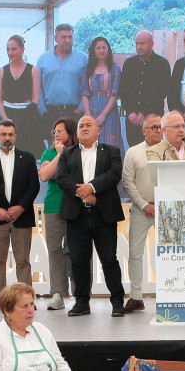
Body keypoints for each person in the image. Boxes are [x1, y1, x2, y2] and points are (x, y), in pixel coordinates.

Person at [55, 116, 125, 317]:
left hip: (104, 214)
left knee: (109, 259)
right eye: (81, 126)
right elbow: (61, 177)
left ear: (98, 131)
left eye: (89, 125)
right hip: (77, 215)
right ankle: (82, 302)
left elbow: (114, 174)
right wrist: (83, 193)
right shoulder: (68, 153)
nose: (84, 128)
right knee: (78, 260)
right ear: (76, 132)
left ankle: (117, 301)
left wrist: (92, 187)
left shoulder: (111, 151)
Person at [0, 120, 39, 311]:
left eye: (10, 134)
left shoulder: (28, 158)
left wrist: (20, 207)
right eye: (3, 134)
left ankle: (26, 301)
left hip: (21, 217)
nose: (7, 138)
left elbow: (34, 186)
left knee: (23, 260)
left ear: (15, 136)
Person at [122, 114, 164, 314]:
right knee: (135, 254)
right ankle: (136, 297)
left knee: (170, 252)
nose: (158, 130)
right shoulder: (133, 152)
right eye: (153, 127)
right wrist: (144, 204)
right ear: (144, 130)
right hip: (141, 209)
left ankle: (170, 293)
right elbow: (127, 182)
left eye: (160, 127)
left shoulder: (170, 149)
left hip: (167, 208)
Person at [38, 118, 78, 311]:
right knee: (55, 249)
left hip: (76, 204)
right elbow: (45, 176)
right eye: (54, 130)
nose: (56, 134)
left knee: (77, 248)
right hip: (54, 205)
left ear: (70, 132)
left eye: (60, 131)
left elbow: (76, 175)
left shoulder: (80, 150)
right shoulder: (50, 152)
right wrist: (59, 156)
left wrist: (53, 166)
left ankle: (80, 293)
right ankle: (58, 293)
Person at [0, 35, 45, 159]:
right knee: (8, 151)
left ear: (22, 49)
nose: (10, 52)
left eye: (13, 49)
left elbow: (36, 98)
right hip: (7, 114)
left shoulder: (33, 70)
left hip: (28, 114)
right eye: (8, 49)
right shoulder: (1, 71)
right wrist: (6, 119)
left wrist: (26, 117)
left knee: (29, 153)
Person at [120, 30, 171, 147]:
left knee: (154, 152)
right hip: (132, 121)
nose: (139, 47)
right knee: (135, 152)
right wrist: (130, 112)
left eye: (142, 43)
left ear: (152, 44)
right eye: (137, 43)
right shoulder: (129, 64)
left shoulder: (162, 64)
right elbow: (123, 91)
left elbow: (161, 92)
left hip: (153, 118)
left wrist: (145, 113)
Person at [36, 24, 87, 132]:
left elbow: (87, 87)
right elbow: (38, 87)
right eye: (64, 37)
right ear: (56, 38)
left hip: (74, 113)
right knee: (53, 147)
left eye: (70, 37)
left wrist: (80, 110)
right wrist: (43, 111)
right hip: (50, 113)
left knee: (74, 148)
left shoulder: (83, 59)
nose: (67, 40)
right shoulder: (43, 59)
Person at [81, 37, 123, 151]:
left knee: (109, 144)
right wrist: (88, 115)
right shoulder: (88, 68)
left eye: (104, 47)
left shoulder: (115, 68)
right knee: (91, 144)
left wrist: (103, 114)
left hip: (109, 113)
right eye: (98, 48)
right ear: (93, 50)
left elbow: (115, 93)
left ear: (108, 49)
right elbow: (84, 93)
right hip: (91, 110)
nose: (101, 50)